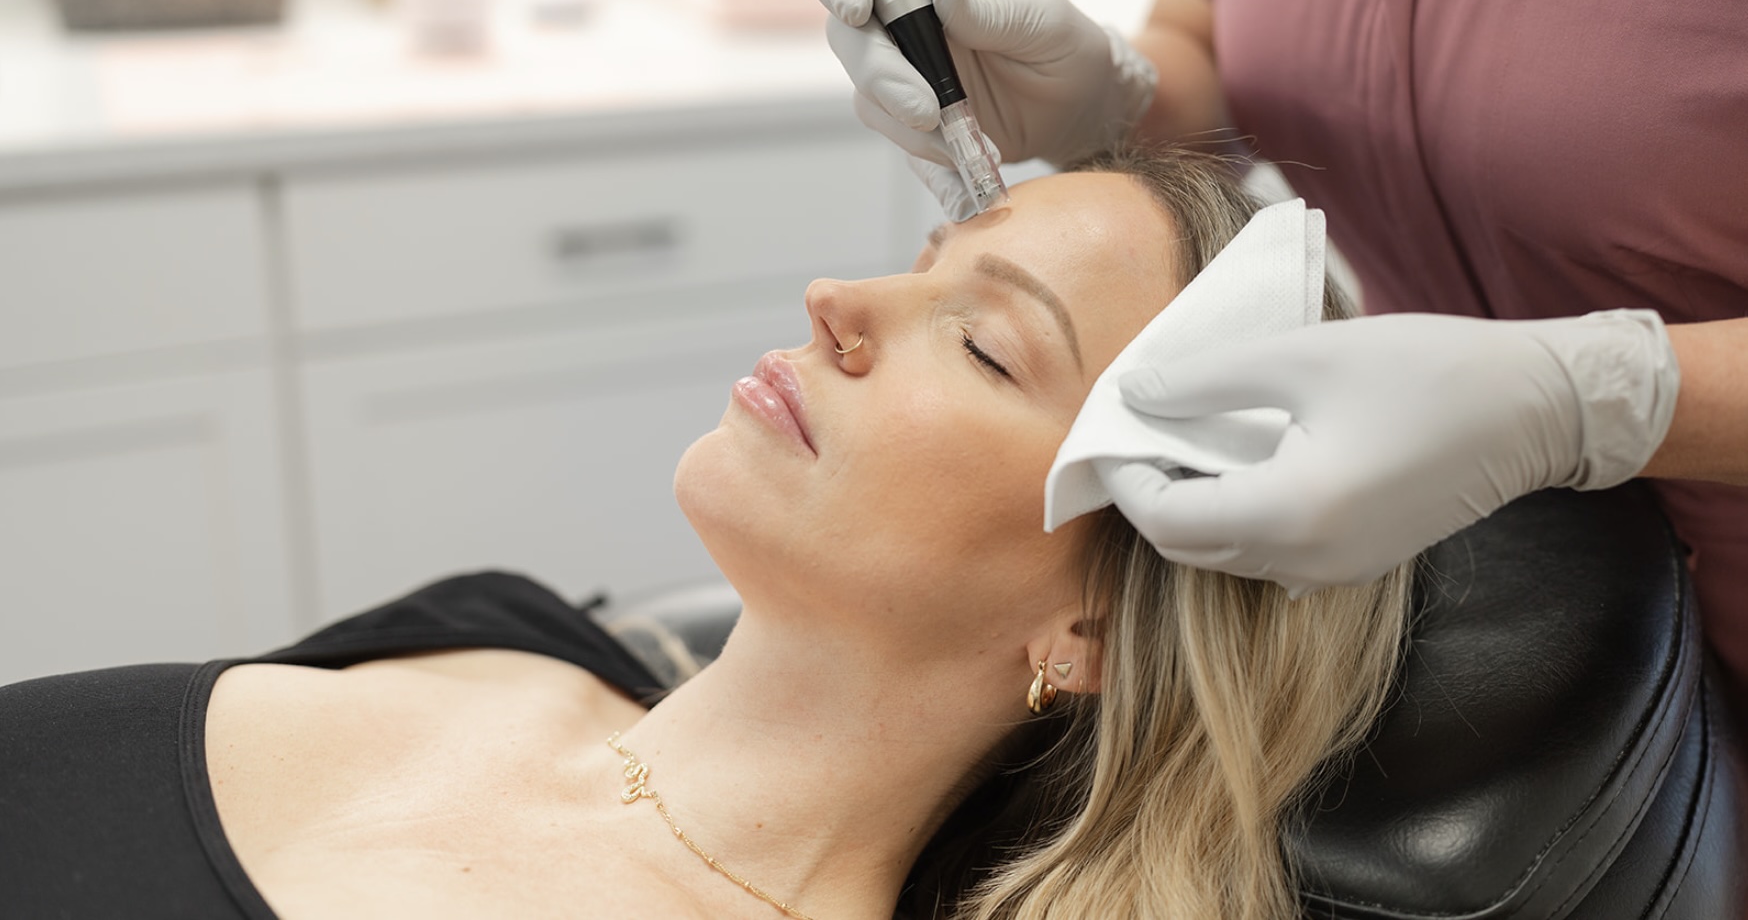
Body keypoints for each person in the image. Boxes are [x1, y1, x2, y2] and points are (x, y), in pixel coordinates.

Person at [1, 149, 1414, 920]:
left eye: (984, 345)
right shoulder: (497, 626)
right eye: (917, 263)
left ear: (1090, 628)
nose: (831, 298)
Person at [811, 0, 1748, 722]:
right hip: (1486, 603)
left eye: (986, 349)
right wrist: (1118, 95)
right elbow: (1212, 32)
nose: (824, 295)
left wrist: (1595, 398)